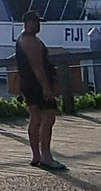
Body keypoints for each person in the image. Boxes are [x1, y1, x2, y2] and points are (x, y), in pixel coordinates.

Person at [14, 10, 64, 171]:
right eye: (36, 23)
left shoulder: (21, 40)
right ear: (28, 23)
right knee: (48, 118)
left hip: (28, 85)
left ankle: (36, 156)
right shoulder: (31, 42)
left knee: (34, 118)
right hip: (37, 85)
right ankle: (46, 156)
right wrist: (46, 88)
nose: (38, 26)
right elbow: (37, 67)